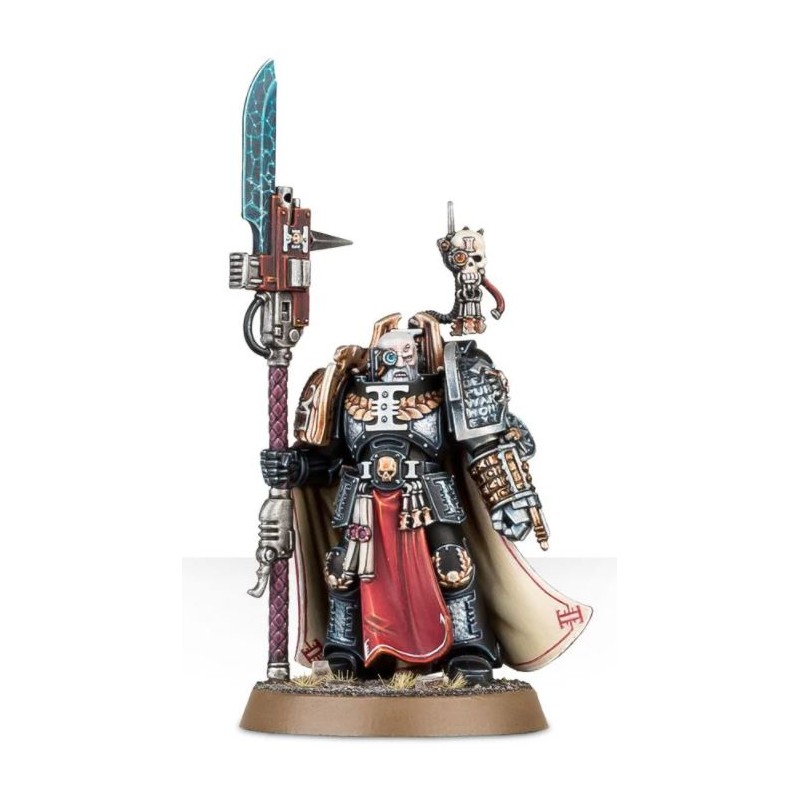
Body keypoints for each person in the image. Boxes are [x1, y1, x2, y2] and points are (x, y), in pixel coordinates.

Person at [261, 312, 591, 684]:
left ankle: (469, 652)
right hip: (363, 497)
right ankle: (346, 654)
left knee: (453, 564)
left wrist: (510, 498)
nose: (400, 361)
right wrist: (294, 467)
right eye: (392, 353)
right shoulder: (345, 392)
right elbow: (328, 460)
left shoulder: (445, 387)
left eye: (409, 352)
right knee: (342, 570)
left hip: (428, 494)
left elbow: (485, 445)